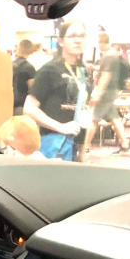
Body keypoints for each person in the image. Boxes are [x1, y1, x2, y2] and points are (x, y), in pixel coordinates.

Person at [24, 19, 90, 162]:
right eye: (72, 36)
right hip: (53, 146)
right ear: (61, 41)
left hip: (74, 146)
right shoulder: (50, 70)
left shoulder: (83, 72)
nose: (78, 40)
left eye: (82, 36)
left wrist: (82, 151)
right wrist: (61, 127)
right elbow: (29, 108)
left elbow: (83, 113)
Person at [89, 35, 130, 153]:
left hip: (105, 92)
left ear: (102, 42)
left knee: (94, 119)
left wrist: (97, 93)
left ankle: (85, 147)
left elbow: (106, 76)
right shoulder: (114, 56)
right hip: (112, 91)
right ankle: (125, 143)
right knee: (114, 118)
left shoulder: (108, 56)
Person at [12, 39, 38, 115]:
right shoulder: (29, 67)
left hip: (9, 104)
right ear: (30, 50)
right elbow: (33, 90)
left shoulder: (10, 65)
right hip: (22, 107)